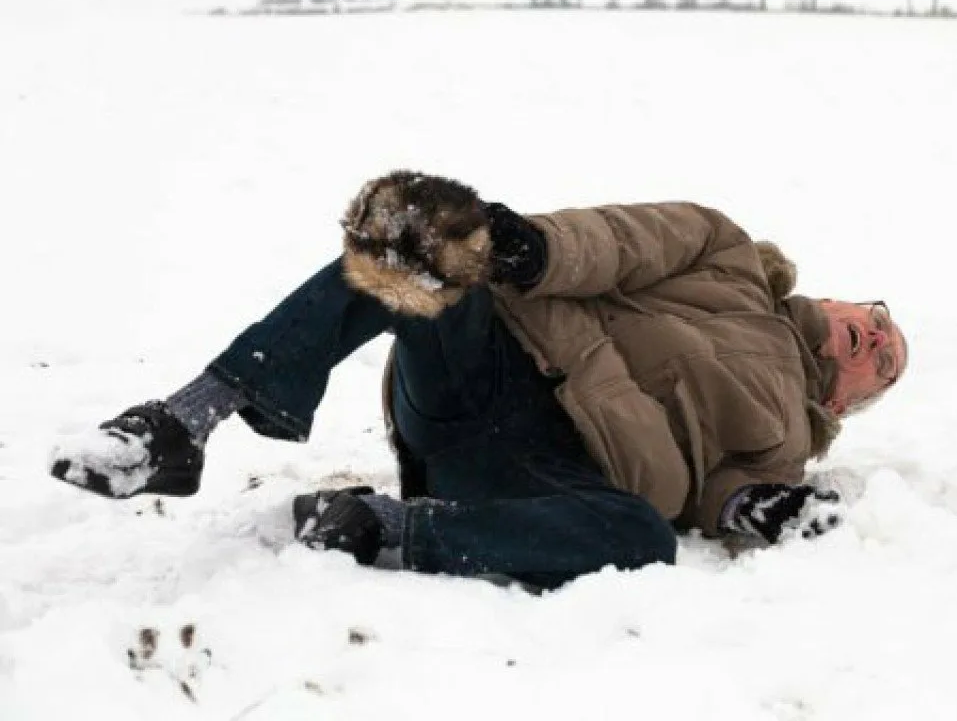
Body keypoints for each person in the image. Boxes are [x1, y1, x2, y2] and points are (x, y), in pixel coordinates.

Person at [48, 172, 908, 590]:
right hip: (497, 362)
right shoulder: (727, 256)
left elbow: (725, 494)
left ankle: (384, 527)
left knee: (642, 538)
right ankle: (181, 423)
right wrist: (535, 246)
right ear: (831, 295)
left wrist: (751, 506)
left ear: (848, 400)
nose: (872, 335)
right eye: (875, 317)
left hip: (549, 481)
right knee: (429, 241)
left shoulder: (790, 444)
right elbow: (625, 238)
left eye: (883, 359)